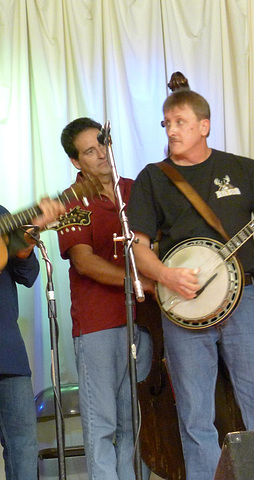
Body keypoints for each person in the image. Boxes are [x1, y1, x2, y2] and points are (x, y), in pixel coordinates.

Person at [126, 87, 254, 478]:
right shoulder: (152, 179)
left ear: (204, 126)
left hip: (241, 298)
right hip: (182, 305)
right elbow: (137, 247)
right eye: (167, 123)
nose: (171, 131)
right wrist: (165, 274)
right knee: (195, 415)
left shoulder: (242, 168)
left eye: (181, 123)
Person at [57, 117, 153, 480]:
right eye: (89, 151)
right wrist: (142, 281)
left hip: (144, 321)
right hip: (98, 325)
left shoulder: (135, 190)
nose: (101, 155)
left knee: (138, 424)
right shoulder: (72, 202)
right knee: (103, 427)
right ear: (76, 161)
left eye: (103, 144)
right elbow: (84, 262)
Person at [0, 198, 66, 480]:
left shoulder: (2, 216)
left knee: (23, 444)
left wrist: (27, 241)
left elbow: (27, 275)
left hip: (7, 350)